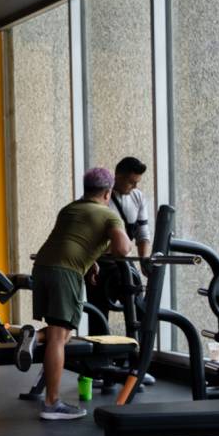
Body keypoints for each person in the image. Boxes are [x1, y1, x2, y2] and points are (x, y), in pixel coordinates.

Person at [24, 167, 130, 421]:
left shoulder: (70, 208)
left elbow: (71, 239)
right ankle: (51, 403)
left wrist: (90, 260)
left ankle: (33, 335)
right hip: (65, 273)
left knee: (56, 330)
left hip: (42, 267)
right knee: (59, 337)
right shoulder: (108, 214)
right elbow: (123, 249)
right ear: (108, 192)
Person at [110, 156, 151, 260]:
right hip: (102, 260)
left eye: (137, 182)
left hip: (124, 259)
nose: (135, 187)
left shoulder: (138, 196)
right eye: (131, 182)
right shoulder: (100, 196)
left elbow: (142, 232)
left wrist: (144, 260)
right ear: (117, 177)